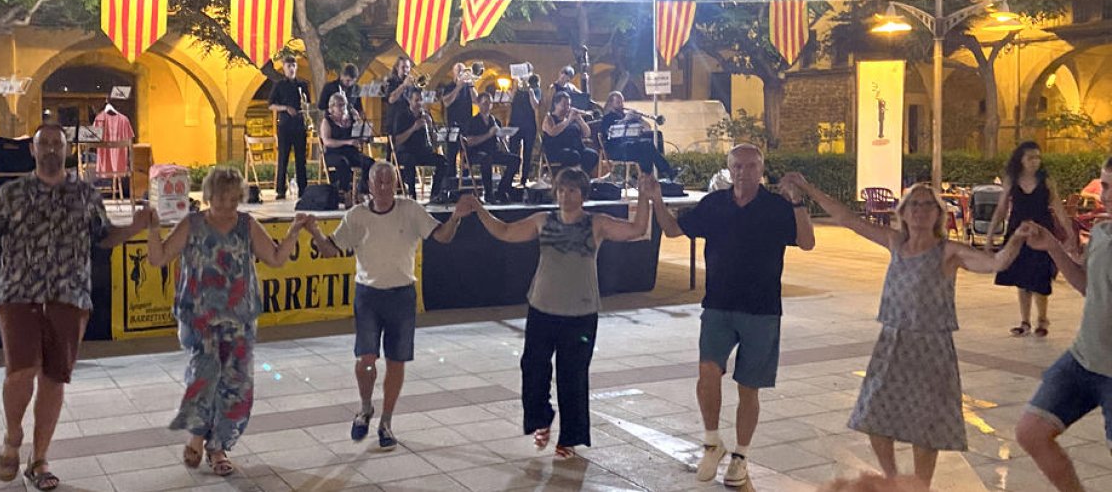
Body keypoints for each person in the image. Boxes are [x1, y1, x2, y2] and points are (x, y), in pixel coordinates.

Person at [0, 123, 150, 491]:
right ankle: (12, 439)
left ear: (66, 150)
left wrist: (135, 226)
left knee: (54, 378)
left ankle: (40, 459)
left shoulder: (85, 194)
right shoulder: (11, 193)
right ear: (32, 150)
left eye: (56, 145)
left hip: (69, 294)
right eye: (43, 144)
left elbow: (104, 238)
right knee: (20, 372)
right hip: (18, 294)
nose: (49, 150)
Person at [789, 175, 1027, 486]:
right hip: (895, 340)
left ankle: (920, 486)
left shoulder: (948, 251)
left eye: (928, 205)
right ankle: (894, 479)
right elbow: (846, 218)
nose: (920, 210)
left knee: (925, 425)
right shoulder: (894, 242)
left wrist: (1018, 237)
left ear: (938, 214)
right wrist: (807, 188)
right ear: (902, 212)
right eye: (914, 204)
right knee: (873, 413)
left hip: (932, 346)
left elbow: (996, 262)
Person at [643, 143, 814, 488]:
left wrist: (797, 203)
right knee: (708, 372)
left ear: (761, 170)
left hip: (761, 308)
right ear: (728, 169)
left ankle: (741, 456)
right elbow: (675, 230)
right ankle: (711, 441)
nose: (743, 172)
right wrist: (655, 200)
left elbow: (806, 241)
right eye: (737, 166)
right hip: (718, 304)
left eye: (750, 166)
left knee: (748, 388)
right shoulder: (715, 204)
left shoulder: (776, 206)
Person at [456, 169, 655, 458]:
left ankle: (569, 438)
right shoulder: (542, 221)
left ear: (583, 195)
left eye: (573, 190)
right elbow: (506, 232)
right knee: (533, 369)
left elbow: (636, 230)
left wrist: (645, 198)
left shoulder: (596, 224)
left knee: (572, 377)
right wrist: (478, 208)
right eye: (562, 190)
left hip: (581, 313)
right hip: (542, 309)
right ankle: (541, 419)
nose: (566, 195)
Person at [145, 167, 306, 476]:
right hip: (199, 318)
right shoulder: (192, 224)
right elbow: (158, 257)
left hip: (239, 319)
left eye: (234, 198)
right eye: (221, 197)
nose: (227, 204)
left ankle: (218, 447)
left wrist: (294, 232)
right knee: (204, 376)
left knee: (236, 385)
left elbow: (274, 258)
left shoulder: (247, 224)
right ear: (208, 195)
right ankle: (196, 436)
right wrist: (153, 229)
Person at [308, 161, 471, 450]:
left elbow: (442, 237)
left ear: (396, 184)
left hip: (402, 295)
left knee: (396, 361)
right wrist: (313, 231)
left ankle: (386, 420)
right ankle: (365, 407)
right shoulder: (356, 216)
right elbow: (331, 249)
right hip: (368, 295)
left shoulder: (410, 210)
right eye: (378, 182)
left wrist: (456, 217)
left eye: (388, 182)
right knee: (366, 359)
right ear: (369, 185)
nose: (383, 188)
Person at [1013, 157, 1112, 492]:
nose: (1104, 194)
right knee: (1031, 431)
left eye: (1111, 187)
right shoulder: (1101, 233)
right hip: (1083, 360)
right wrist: (1053, 247)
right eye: (1104, 185)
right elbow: (1087, 287)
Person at [987, 141, 1074, 337]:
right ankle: (1024, 321)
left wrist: (1070, 234)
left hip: (1042, 232)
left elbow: (1058, 208)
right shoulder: (1012, 180)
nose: (1035, 161)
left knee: (1040, 276)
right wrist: (991, 235)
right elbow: (1001, 209)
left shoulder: (1046, 181)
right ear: (1021, 159)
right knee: (1021, 276)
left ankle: (1042, 319)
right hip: (1018, 232)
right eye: (1030, 157)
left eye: (1037, 157)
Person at [390, 87, 447, 202]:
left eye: (421, 100)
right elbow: (396, 141)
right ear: (410, 101)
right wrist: (413, 128)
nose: (419, 103)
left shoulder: (425, 116)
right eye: (416, 100)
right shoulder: (402, 116)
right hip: (405, 151)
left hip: (422, 151)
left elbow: (434, 140)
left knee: (443, 162)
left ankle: (435, 194)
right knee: (410, 160)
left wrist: (430, 126)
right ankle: (412, 196)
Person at [600, 91, 674, 179]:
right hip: (616, 149)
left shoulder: (624, 115)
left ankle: (649, 178)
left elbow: (647, 128)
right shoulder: (607, 117)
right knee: (647, 145)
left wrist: (640, 119)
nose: (621, 105)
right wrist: (625, 120)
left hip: (629, 146)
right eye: (618, 102)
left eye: (622, 102)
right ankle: (666, 173)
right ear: (611, 103)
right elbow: (609, 133)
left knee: (655, 136)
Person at [463, 92, 521, 203]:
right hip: (477, 153)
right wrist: (488, 134)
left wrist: (502, 136)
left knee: (515, 160)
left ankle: (501, 190)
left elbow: (498, 141)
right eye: (484, 103)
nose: (487, 105)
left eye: (489, 103)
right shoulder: (472, 121)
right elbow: (469, 142)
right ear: (478, 104)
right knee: (486, 159)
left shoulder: (495, 121)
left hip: (493, 151)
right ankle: (488, 193)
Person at [320, 93, 375, 206]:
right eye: (339, 105)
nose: (342, 108)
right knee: (343, 163)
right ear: (332, 108)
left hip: (350, 152)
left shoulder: (349, 120)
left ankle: (362, 190)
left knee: (369, 162)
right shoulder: (327, 122)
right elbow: (327, 142)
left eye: (344, 105)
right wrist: (346, 142)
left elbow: (359, 135)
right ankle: (346, 192)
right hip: (333, 152)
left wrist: (358, 123)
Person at [268, 56, 310, 201]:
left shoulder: (303, 85)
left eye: (293, 66)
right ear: (284, 68)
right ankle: (280, 190)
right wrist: (285, 108)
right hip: (285, 125)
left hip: (299, 125)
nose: (291, 69)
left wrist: (306, 111)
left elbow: (307, 103)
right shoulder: (279, 85)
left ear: (296, 67)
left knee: (301, 159)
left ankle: (303, 190)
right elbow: (271, 105)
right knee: (283, 158)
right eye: (288, 66)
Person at [541, 91, 598, 177]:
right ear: (556, 104)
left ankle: (581, 177)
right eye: (564, 105)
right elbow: (552, 132)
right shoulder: (549, 118)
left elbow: (587, 134)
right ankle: (567, 178)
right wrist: (568, 121)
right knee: (573, 156)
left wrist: (580, 120)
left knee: (591, 154)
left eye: (569, 105)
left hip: (577, 148)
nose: (567, 108)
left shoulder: (571, 118)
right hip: (557, 150)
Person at [439, 62, 478, 181]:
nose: (461, 74)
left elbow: (476, 100)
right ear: (454, 73)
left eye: (463, 71)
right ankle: (451, 182)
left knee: (466, 155)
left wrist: (471, 86)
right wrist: (458, 87)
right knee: (451, 154)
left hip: (467, 124)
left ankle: (465, 182)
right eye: (459, 71)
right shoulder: (449, 87)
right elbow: (446, 102)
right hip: (453, 125)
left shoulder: (468, 87)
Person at [508, 72, 541, 186]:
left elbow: (535, 106)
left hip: (529, 125)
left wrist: (530, 91)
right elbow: (510, 100)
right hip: (515, 123)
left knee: (528, 153)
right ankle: (510, 177)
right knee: (513, 152)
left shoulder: (535, 89)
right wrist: (515, 85)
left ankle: (524, 179)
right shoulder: (517, 89)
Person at [383, 57, 415, 135]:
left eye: (407, 67)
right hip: (395, 123)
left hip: (408, 122)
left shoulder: (411, 84)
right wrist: (403, 85)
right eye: (403, 67)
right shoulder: (391, 81)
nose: (405, 70)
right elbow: (391, 100)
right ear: (397, 68)